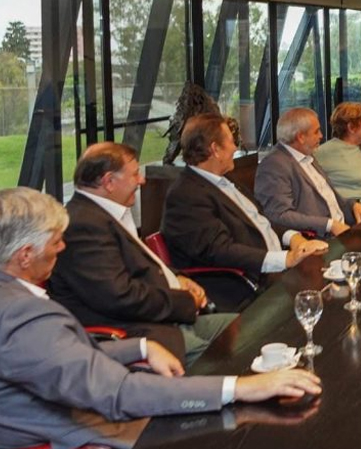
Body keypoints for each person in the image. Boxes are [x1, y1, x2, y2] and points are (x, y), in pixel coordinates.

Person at [0, 187, 322, 449]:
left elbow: (66, 357)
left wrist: (140, 347)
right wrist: (240, 387)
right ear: (25, 254)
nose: (62, 247)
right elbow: (119, 393)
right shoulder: (22, 314)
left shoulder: (12, 298)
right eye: (55, 241)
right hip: (88, 433)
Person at [48, 143, 237, 366]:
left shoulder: (104, 214)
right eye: (135, 174)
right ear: (109, 182)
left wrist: (178, 278)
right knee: (231, 359)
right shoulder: (83, 226)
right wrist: (185, 301)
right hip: (140, 332)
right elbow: (120, 297)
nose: (142, 180)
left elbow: (141, 262)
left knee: (245, 330)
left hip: (165, 319)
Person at [161, 113, 328, 282]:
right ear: (215, 149)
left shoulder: (226, 179)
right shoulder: (186, 195)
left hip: (278, 268)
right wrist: (285, 259)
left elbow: (261, 219)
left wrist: (293, 237)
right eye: (231, 141)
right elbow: (220, 251)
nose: (235, 148)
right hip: (250, 281)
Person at [255, 107, 361, 236]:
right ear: (301, 137)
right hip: (319, 238)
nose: (321, 136)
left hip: (344, 226)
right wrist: (329, 225)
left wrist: (353, 205)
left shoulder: (306, 154)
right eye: (316, 132)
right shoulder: (274, 166)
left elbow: (328, 195)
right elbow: (280, 215)